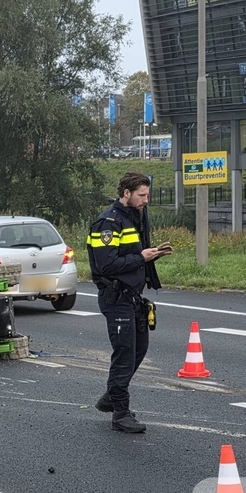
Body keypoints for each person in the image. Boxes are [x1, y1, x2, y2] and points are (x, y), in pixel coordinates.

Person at [86, 172, 173, 433]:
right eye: (142, 195)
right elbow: (106, 264)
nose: (147, 199)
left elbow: (132, 255)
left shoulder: (134, 218)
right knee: (124, 354)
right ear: (126, 193)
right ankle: (120, 414)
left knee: (139, 349)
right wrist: (142, 258)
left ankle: (111, 396)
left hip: (133, 297)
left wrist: (153, 254)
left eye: (148, 194)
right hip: (116, 298)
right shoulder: (108, 223)